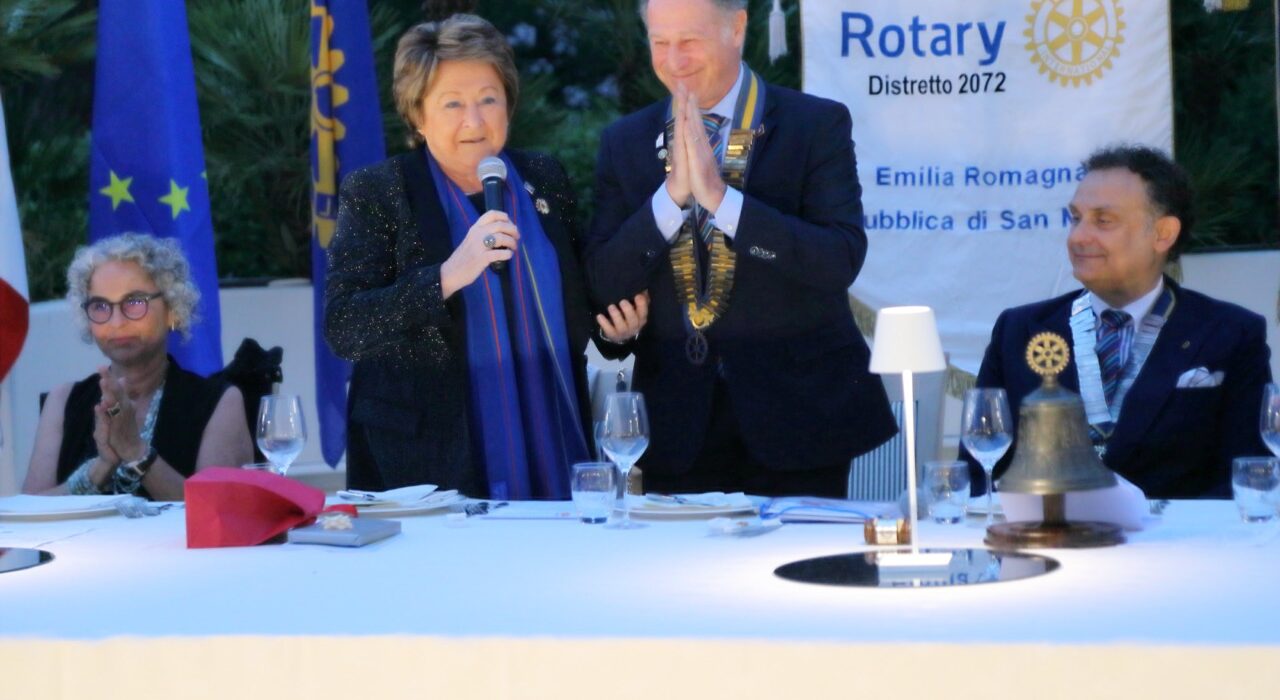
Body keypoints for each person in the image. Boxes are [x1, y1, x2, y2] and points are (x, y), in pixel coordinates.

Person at [325, 14, 646, 499]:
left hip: (556, 437)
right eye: (452, 104)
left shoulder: (545, 179)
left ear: (509, 104)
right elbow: (345, 326)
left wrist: (615, 334)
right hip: (428, 461)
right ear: (417, 114)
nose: (474, 121)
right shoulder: (379, 192)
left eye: (488, 100)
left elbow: (575, 306)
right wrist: (448, 275)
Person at [584, 0, 896, 498]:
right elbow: (601, 280)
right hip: (678, 423)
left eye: (689, 41)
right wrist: (670, 200)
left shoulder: (813, 125)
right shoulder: (627, 142)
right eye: (660, 43)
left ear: (737, 28)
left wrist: (721, 199)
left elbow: (839, 259)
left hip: (799, 416)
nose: (673, 60)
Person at [967, 145, 1273, 499]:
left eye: (1103, 220)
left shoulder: (1230, 333)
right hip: (1047, 545)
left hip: (1176, 549)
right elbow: (979, 475)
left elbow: (1250, 476)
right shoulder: (1020, 331)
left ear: (1162, 234)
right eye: (1075, 218)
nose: (1078, 236)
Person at [23, 234, 253, 500]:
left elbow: (217, 514)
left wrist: (136, 452)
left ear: (172, 309)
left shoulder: (219, 402)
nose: (117, 321)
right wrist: (98, 470)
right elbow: (29, 517)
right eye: (100, 306)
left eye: (134, 302)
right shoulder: (63, 400)